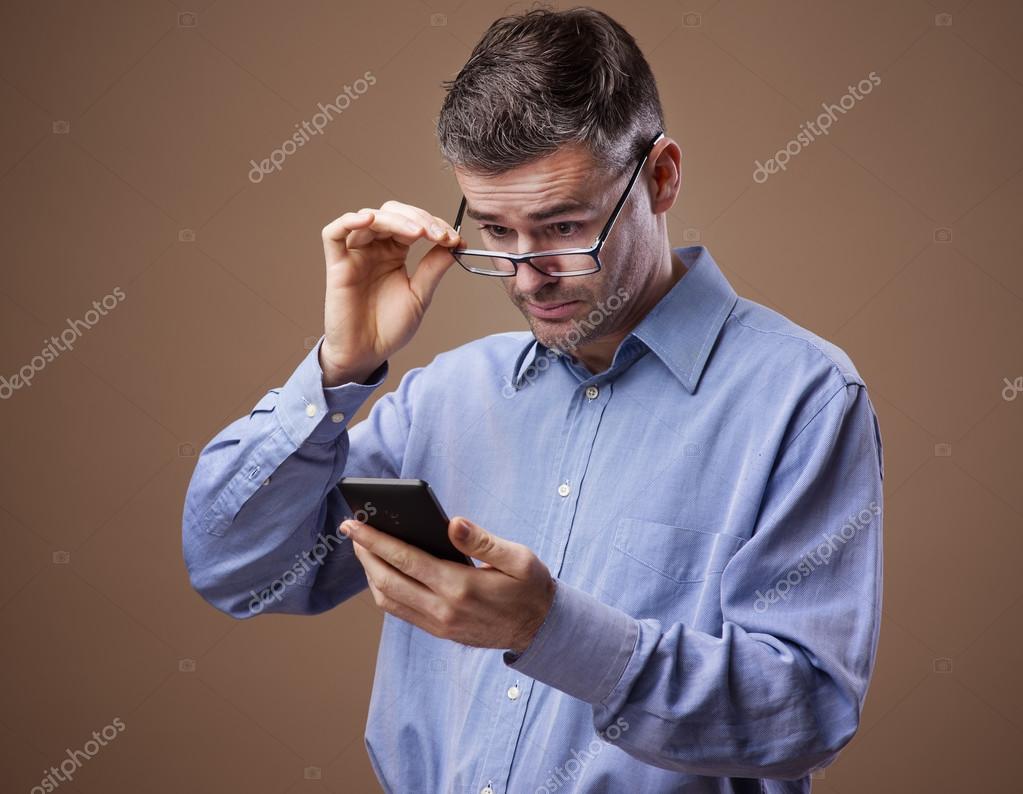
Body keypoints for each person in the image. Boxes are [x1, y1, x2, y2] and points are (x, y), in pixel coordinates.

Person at [182, 7, 884, 793]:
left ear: (660, 177)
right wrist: (337, 371)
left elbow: (805, 714)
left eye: (561, 227)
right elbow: (239, 571)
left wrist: (549, 631)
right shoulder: (445, 395)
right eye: (494, 231)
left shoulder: (803, 398)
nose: (525, 275)